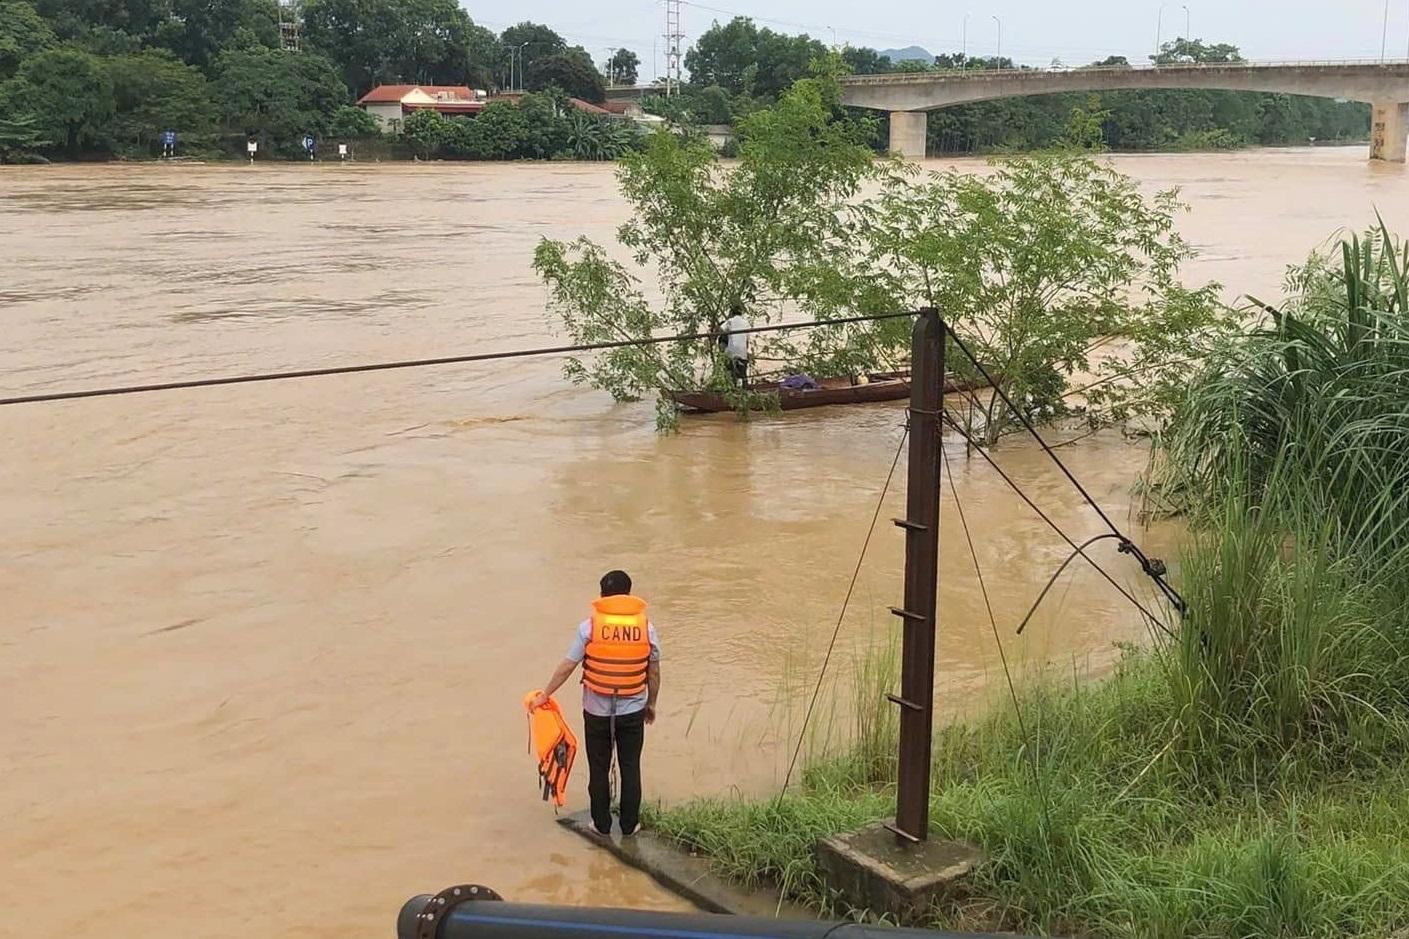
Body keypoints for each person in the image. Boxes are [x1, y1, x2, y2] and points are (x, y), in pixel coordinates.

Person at [532, 570, 660, 836]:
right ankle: (629, 826)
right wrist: (651, 704)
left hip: (597, 713)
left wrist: (545, 694)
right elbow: (654, 672)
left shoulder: (589, 627)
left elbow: (568, 666)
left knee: (599, 768)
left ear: (602, 595)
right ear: (628, 594)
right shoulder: (646, 628)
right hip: (633, 711)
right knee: (630, 767)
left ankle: (601, 825)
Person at [720, 304, 749, 388]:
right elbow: (747, 341)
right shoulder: (746, 322)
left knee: (730, 373)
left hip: (731, 352)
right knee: (743, 374)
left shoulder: (729, 321)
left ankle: (731, 388)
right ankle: (745, 389)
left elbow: (720, 330)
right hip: (743, 353)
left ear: (732, 313)